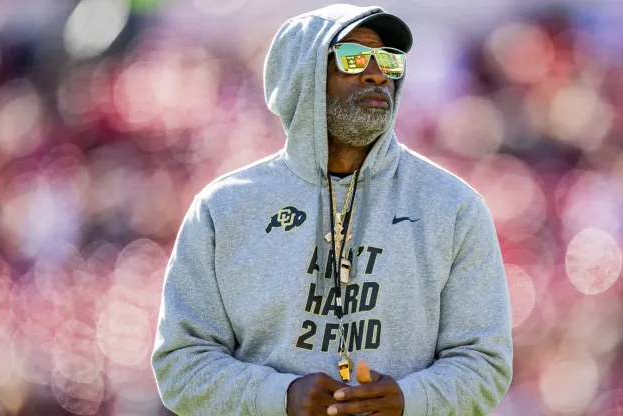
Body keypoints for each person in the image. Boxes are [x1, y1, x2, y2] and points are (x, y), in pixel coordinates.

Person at [151, 4, 513, 416]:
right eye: (353, 58)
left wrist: (411, 399)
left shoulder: (453, 207)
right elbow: (180, 365)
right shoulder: (224, 209)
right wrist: (279, 396)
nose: (377, 74)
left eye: (389, 61)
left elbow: (485, 363)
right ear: (303, 76)